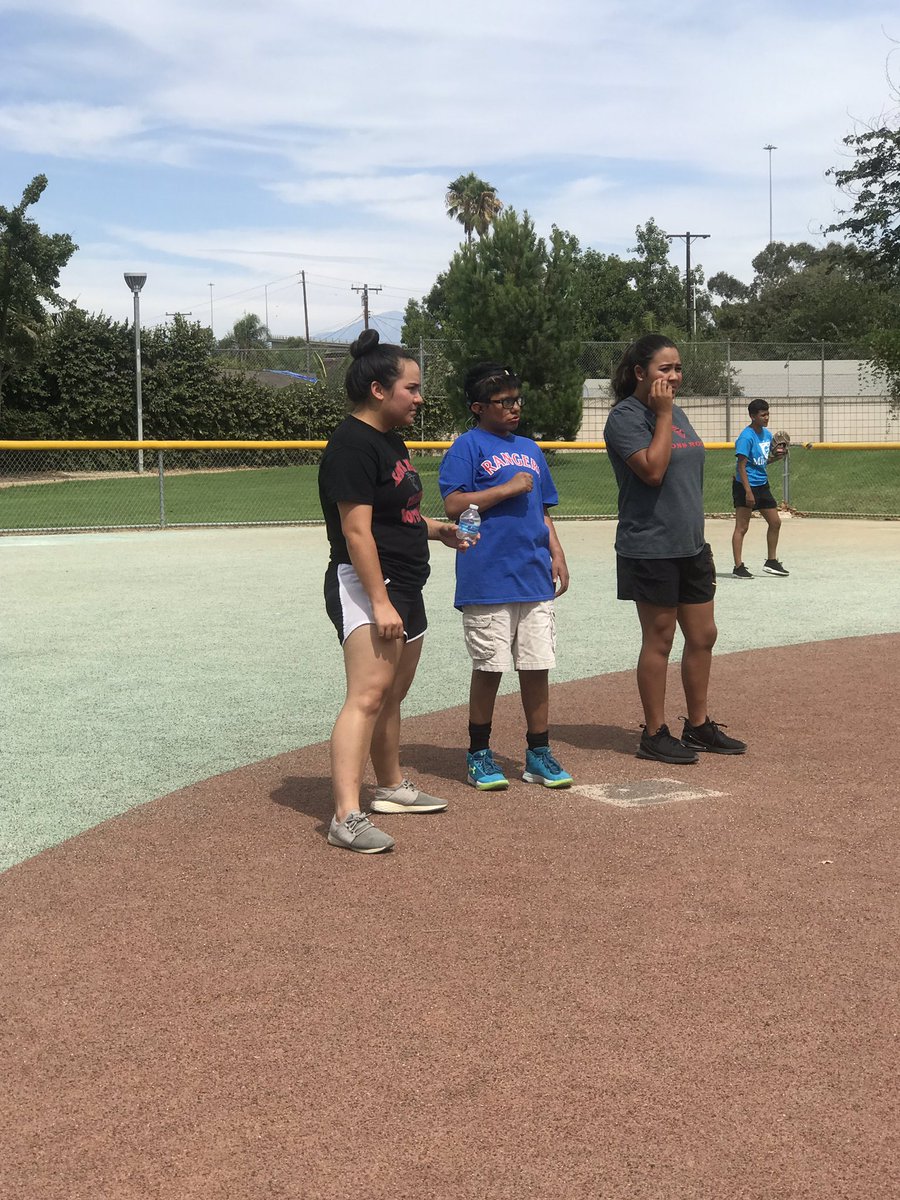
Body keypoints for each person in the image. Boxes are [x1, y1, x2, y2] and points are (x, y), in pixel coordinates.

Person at [318, 330, 468, 853]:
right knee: (366, 696)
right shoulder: (352, 445)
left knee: (392, 694)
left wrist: (434, 529)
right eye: (412, 387)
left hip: (407, 581)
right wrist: (379, 600)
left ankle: (389, 787)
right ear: (380, 390)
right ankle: (346, 816)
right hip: (367, 585)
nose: (419, 397)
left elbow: (394, 514)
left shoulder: (389, 440)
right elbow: (356, 531)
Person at [603, 334, 746, 764]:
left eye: (677, 368)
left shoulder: (676, 412)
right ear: (639, 373)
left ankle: (698, 725)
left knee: (703, 635)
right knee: (660, 639)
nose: (674, 376)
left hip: (689, 546)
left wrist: (668, 413)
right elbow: (652, 470)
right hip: (649, 547)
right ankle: (654, 733)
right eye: (665, 369)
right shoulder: (625, 417)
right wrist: (662, 415)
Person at [438, 362, 573, 791]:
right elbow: (454, 506)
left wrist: (556, 551)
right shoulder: (468, 446)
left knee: (537, 666)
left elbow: (543, 510)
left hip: (532, 574)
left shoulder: (531, 449)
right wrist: (506, 489)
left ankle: (538, 752)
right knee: (490, 666)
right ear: (479, 407)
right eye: (504, 402)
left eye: (517, 400)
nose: (514, 407)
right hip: (488, 574)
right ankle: (479, 752)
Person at [731, 399, 789, 578]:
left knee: (775, 522)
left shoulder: (766, 435)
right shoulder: (746, 437)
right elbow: (741, 466)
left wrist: (777, 458)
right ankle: (738, 567)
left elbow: (762, 461)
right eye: (762, 415)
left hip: (762, 484)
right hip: (745, 485)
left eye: (767, 414)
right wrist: (748, 491)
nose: (766, 418)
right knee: (742, 527)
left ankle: (771, 561)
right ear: (752, 416)